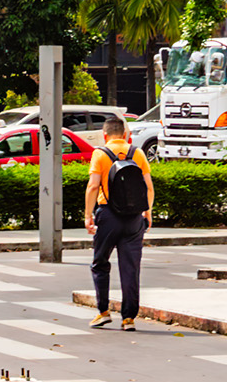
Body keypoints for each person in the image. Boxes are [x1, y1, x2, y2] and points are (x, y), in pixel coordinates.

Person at [84, 108, 155, 328]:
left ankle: (104, 311)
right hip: (134, 218)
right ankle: (129, 318)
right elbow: (149, 187)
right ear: (125, 135)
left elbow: (93, 185)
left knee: (100, 263)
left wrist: (88, 216)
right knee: (130, 268)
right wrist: (148, 213)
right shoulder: (138, 153)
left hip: (108, 216)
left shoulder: (100, 154)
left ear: (105, 135)